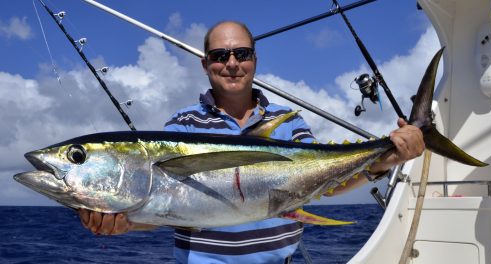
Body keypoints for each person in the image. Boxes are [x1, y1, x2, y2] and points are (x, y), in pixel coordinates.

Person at [79, 21, 424, 263]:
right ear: (205, 64)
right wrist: (124, 222)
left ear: (254, 60)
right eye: (220, 56)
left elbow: (329, 186)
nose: (231, 63)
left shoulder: (288, 122)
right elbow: (170, 208)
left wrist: (385, 160)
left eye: (241, 54)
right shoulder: (182, 125)